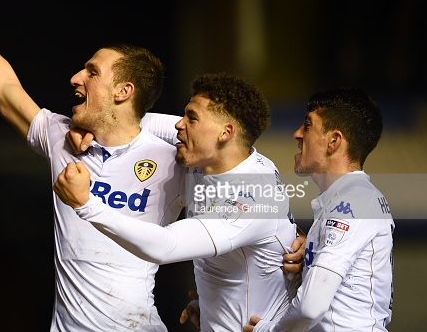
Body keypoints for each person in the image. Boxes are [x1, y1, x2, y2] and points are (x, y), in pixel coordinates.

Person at [0, 0, 188, 331]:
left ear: (124, 92)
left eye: (92, 72)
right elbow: (1, 87)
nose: (76, 77)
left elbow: (242, 164)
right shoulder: (61, 137)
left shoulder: (176, 157)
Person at [54, 72, 303, 332]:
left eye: (192, 118)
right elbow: (126, 120)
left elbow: (166, 245)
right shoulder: (215, 157)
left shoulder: (254, 197)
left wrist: (86, 204)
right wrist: (87, 128)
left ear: (226, 132)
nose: (178, 125)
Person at [243, 87, 394, 332]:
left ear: (334, 141)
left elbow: (310, 309)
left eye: (308, 125)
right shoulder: (351, 199)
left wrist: (269, 331)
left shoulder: (354, 202)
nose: (297, 134)